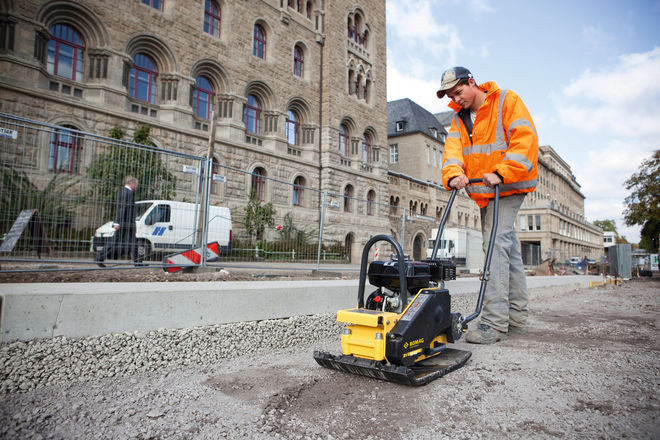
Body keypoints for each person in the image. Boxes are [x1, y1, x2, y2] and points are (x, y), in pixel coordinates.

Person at [437, 66, 539, 344]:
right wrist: (454, 174)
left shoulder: (506, 100)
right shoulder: (459, 120)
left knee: (494, 247)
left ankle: (494, 324)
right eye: (451, 95)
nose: (456, 99)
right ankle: (516, 318)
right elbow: (452, 152)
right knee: (509, 251)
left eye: (459, 92)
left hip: (508, 186)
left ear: (472, 83)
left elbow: (525, 140)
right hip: (485, 192)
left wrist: (502, 171)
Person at [96, 176, 142, 267]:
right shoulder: (127, 193)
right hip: (126, 223)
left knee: (128, 242)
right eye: (136, 184)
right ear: (132, 183)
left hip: (125, 223)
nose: (136, 186)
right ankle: (137, 263)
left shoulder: (122, 192)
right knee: (123, 242)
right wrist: (117, 222)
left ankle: (138, 262)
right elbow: (122, 208)